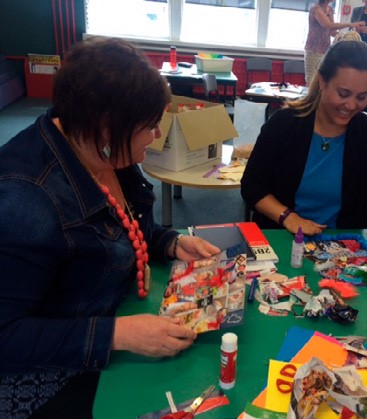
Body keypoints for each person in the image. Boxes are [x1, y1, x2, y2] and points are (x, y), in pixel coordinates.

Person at [0, 37, 220, 417]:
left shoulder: (100, 147)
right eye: (151, 127)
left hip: (112, 318)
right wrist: (117, 335)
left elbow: (123, 226)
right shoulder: (25, 202)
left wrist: (168, 243)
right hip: (49, 380)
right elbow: (5, 338)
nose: (156, 138)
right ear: (107, 127)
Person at [241, 40, 367, 247]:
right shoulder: (285, 124)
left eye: (362, 97)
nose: (351, 105)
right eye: (343, 94)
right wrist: (289, 217)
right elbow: (252, 186)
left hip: (343, 248)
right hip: (280, 239)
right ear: (322, 81)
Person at [304, 0, 365, 84]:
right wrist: (350, 24)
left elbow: (332, 31)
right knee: (311, 82)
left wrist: (347, 37)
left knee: (323, 82)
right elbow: (328, 25)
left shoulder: (330, 10)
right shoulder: (316, 9)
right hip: (313, 51)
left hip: (325, 51)